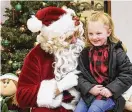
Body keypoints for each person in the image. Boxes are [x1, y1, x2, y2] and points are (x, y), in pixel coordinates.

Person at [16, 6, 85, 112]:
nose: (75, 40)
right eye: (69, 37)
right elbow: (22, 96)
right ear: (55, 40)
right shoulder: (36, 56)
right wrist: (59, 87)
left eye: (76, 34)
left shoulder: (82, 49)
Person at [74, 11, 132, 112]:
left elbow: (128, 74)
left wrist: (111, 89)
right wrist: (89, 88)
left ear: (108, 32)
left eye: (98, 33)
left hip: (109, 95)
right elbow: (79, 75)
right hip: (90, 94)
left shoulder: (117, 52)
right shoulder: (85, 53)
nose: (94, 37)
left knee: (94, 110)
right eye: (90, 34)